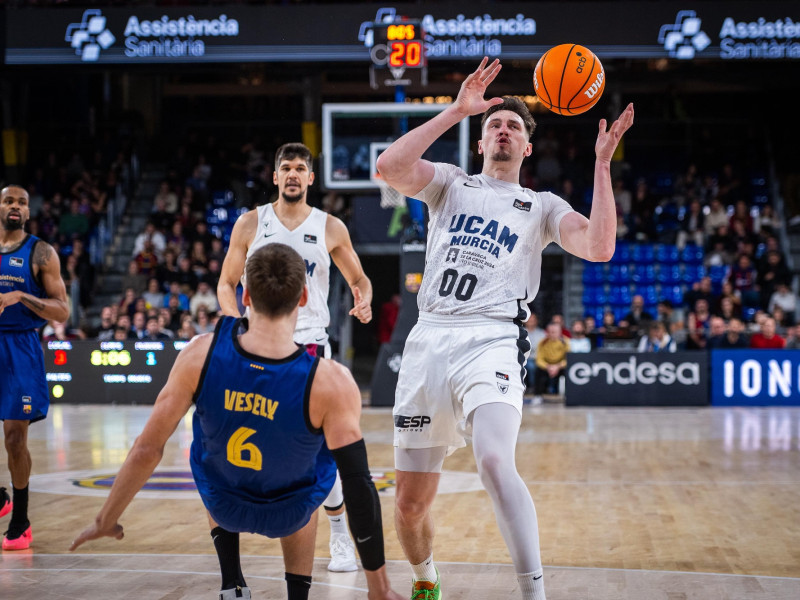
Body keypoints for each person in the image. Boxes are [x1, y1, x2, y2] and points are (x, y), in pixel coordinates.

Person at [376, 57, 634, 600]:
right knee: (409, 505)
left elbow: (600, 247)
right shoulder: (449, 184)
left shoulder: (541, 206)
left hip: (491, 338)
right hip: (429, 338)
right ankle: (426, 581)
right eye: (495, 123)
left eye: (514, 126)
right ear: (480, 142)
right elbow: (390, 169)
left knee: (494, 458)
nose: (503, 129)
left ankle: (533, 593)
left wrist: (602, 166)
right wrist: (456, 109)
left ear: (527, 148)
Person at [70, 244, 403, 600]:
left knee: (208, 449)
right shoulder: (331, 381)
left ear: (244, 296)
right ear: (304, 297)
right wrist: (378, 586)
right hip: (289, 513)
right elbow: (357, 485)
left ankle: (232, 585)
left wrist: (105, 518)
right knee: (310, 471)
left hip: (223, 503)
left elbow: (146, 449)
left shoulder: (199, 353)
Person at [218, 142, 373, 575]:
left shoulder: (330, 227)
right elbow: (226, 282)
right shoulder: (250, 223)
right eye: (284, 167)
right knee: (243, 446)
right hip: (259, 346)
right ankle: (235, 561)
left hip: (308, 345)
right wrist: (235, 323)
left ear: (309, 178)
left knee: (320, 452)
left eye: (299, 168)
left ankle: (340, 536)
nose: (291, 174)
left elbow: (359, 278)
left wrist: (365, 300)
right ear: (274, 176)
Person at [0, 184, 69, 550]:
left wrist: (19, 296)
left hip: (19, 347)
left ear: (28, 212)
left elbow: (62, 310)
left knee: (14, 437)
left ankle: (21, 519)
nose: (15, 206)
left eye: (21, 203)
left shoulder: (40, 252)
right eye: (9, 201)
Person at [533, 323, 571, 403]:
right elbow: (539, 359)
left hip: (560, 366)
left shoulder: (566, 341)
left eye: (555, 332)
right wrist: (548, 367)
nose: (552, 334)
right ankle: (538, 396)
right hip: (547, 366)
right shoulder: (542, 342)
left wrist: (558, 366)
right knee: (537, 371)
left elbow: (569, 358)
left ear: (560, 332)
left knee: (570, 371)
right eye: (550, 332)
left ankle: (569, 396)